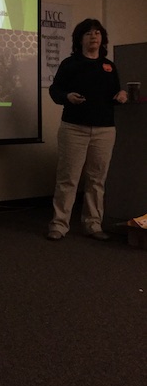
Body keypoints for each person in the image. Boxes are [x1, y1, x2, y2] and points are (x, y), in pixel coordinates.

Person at [47, 18, 127, 241]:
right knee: (68, 179)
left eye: (98, 33)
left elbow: (116, 93)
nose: (94, 36)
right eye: (89, 33)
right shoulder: (70, 64)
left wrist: (122, 95)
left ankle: (93, 224)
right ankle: (59, 225)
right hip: (74, 128)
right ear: (80, 39)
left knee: (96, 180)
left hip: (104, 130)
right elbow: (55, 91)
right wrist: (67, 97)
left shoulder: (109, 66)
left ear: (102, 39)